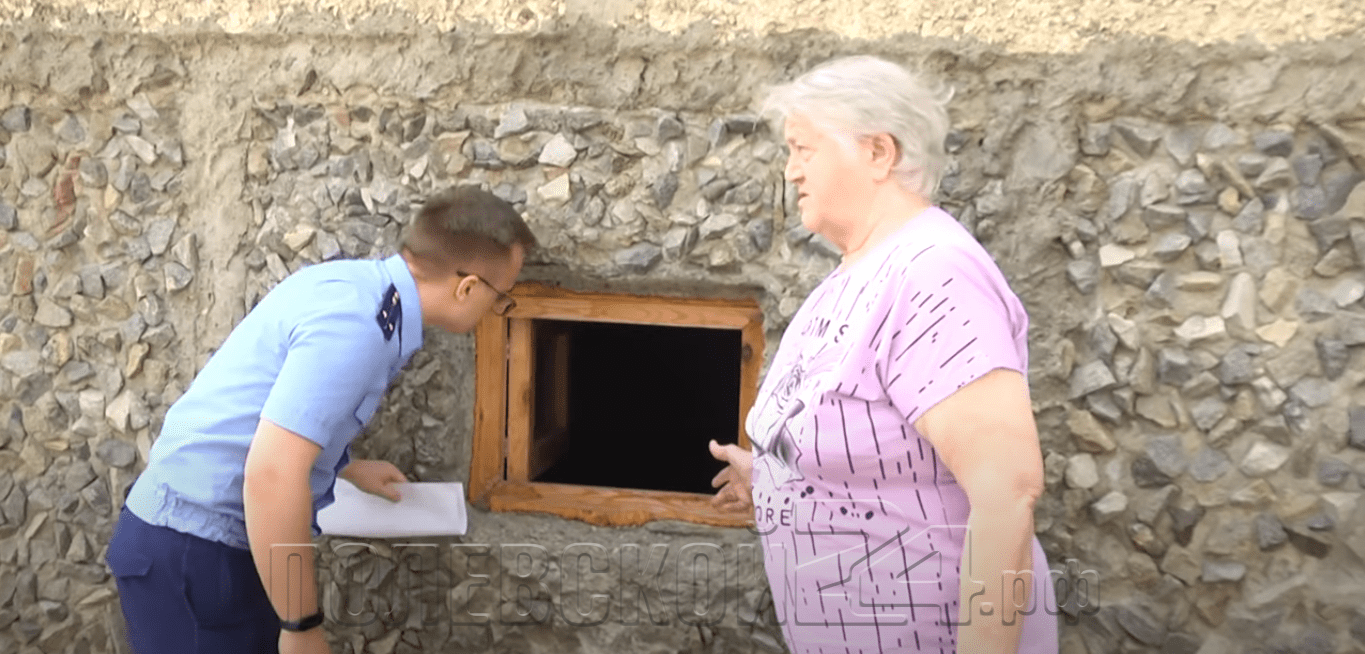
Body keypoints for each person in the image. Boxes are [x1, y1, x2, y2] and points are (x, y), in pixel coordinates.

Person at [710, 56, 1058, 653]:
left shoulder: (932, 275)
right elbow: (875, 455)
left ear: (878, 152)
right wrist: (774, 481)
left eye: (803, 149)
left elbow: (1007, 492)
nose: (791, 170)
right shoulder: (860, 272)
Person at [106, 186, 537, 654]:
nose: (497, 309)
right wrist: (301, 625)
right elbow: (272, 476)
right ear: (467, 287)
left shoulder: (354, 289)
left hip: (204, 543)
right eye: (502, 297)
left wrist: (345, 466)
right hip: (193, 552)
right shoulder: (359, 328)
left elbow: (269, 413)